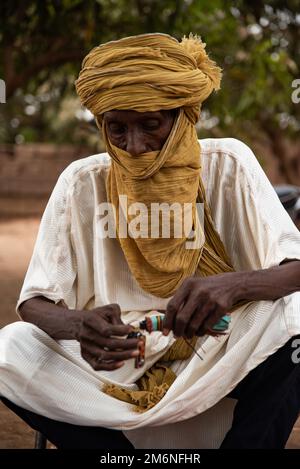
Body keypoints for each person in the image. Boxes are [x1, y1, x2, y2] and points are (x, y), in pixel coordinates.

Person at [1, 33, 300, 449]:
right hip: (114, 369)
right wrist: (78, 325)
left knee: (296, 316)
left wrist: (232, 285)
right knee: (10, 348)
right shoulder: (81, 182)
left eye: (151, 124)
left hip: (216, 356)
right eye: (117, 128)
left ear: (183, 117)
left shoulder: (228, 164)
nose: (136, 146)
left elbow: (296, 268)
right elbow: (34, 302)